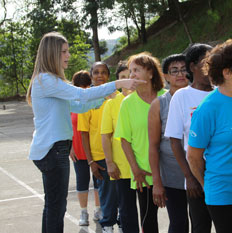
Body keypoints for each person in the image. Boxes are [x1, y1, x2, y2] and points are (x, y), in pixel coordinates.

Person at [27, 31, 144, 233]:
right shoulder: (46, 80)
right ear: (52, 54)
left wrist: (104, 97)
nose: (68, 56)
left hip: (55, 149)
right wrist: (117, 84)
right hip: (53, 150)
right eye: (64, 51)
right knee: (56, 206)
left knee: (53, 205)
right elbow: (81, 94)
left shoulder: (50, 81)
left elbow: (78, 106)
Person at [187, 39, 232, 233]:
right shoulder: (208, 109)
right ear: (227, 72)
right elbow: (193, 156)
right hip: (223, 195)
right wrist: (207, 185)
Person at [164, 43, 213, 233]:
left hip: (223, 172)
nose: (211, 65)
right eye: (206, 61)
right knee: (200, 226)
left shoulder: (222, 92)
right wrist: (189, 177)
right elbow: (175, 140)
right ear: (192, 66)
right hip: (196, 172)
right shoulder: (182, 96)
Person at [115, 52, 166, 233]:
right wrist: (135, 169)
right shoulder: (127, 103)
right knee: (148, 222)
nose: (132, 75)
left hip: (171, 171)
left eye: (137, 70)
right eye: (130, 71)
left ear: (151, 73)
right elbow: (124, 140)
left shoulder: (167, 97)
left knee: (179, 218)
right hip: (144, 173)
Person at [148, 54, 189, 233]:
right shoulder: (159, 104)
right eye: (174, 71)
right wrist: (157, 182)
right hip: (172, 177)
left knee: (201, 222)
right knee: (179, 224)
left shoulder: (202, 98)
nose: (180, 74)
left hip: (201, 173)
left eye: (184, 69)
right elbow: (154, 146)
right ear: (165, 76)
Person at [78, 61, 120, 233]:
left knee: (122, 193)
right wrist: (90, 161)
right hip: (100, 156)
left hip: (120, 153)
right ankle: (107, 225)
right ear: (91, 76)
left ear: (109, 76)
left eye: (103, 72)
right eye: (96, 72)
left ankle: (122, 222)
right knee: (107, 194)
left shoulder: (118, 96)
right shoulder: (87, 99)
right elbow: (84, 133)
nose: (100, 75)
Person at [101, 61, 139, 233]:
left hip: (143, 166)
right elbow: (105, 136)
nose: (127, 81)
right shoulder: (111, 103)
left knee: (146, 209)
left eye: (129, 76)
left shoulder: (144, 100)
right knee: (126, 208)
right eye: (122, 78)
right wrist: (109, 162)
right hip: (122, 168)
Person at [69, 71, 101, 226]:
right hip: (78, 150)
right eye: (80, 88)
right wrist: (69, 148)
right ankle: (83, 213)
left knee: (98, 181)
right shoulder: (70, 103)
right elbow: (65, 125)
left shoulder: (94, 101)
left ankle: (98, 209)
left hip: (94, 149)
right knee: (82, 181)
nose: (83, 90)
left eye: (86, 87)